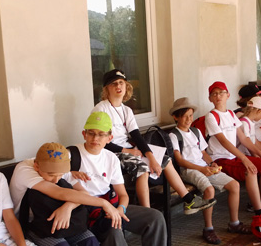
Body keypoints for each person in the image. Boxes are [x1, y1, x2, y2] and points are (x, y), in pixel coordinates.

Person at [64, 112, 184, 246]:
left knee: (154, 218)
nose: (95, 138)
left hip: (111, 207)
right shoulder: (71, 155)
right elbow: (55, 176)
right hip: (86, 214)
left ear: (109, 138)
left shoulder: (110, 157)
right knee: (114, 230)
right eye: (91, 133)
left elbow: (123, 194)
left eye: (101, 134)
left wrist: (120, 209)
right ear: (84, 133)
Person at [92, 68, 215, 215]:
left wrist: (152, 158)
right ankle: (148, 213)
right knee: (143, 168)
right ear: (107, 88)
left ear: (126, 86)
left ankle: (189, 201)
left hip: (129, 150)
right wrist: (127, 151)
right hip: (111, 152)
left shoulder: (126, 110)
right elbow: (99, 140)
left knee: (165, 160)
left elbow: (137, 136)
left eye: (121, 82)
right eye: (114, 84)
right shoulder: (101, 109)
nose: (118, 86)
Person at [168, 97, 244, 244]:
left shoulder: (195, 131)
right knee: (209, 190)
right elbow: (180, 160)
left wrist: (211, 164)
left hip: (204, 167)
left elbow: (203, 153)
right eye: (184, 116)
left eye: (191, 115)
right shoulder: (174, 135)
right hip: (189, 170)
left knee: (234, 185)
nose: (189, 119)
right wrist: (202, 169)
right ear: (175, 117)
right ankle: (208, 229)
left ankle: (234, 223)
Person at [204, 81, 261, 216]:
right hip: (220, 159)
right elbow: (223, 141)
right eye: (214, 94)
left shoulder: (231, 114)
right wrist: (244, 159)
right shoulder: (211, 116)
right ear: (210, 98)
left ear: (228, 95)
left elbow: (243, 138)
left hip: (234, 157)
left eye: (221, 93)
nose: (218, 96)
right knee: (251, 171)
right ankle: (259, 212)